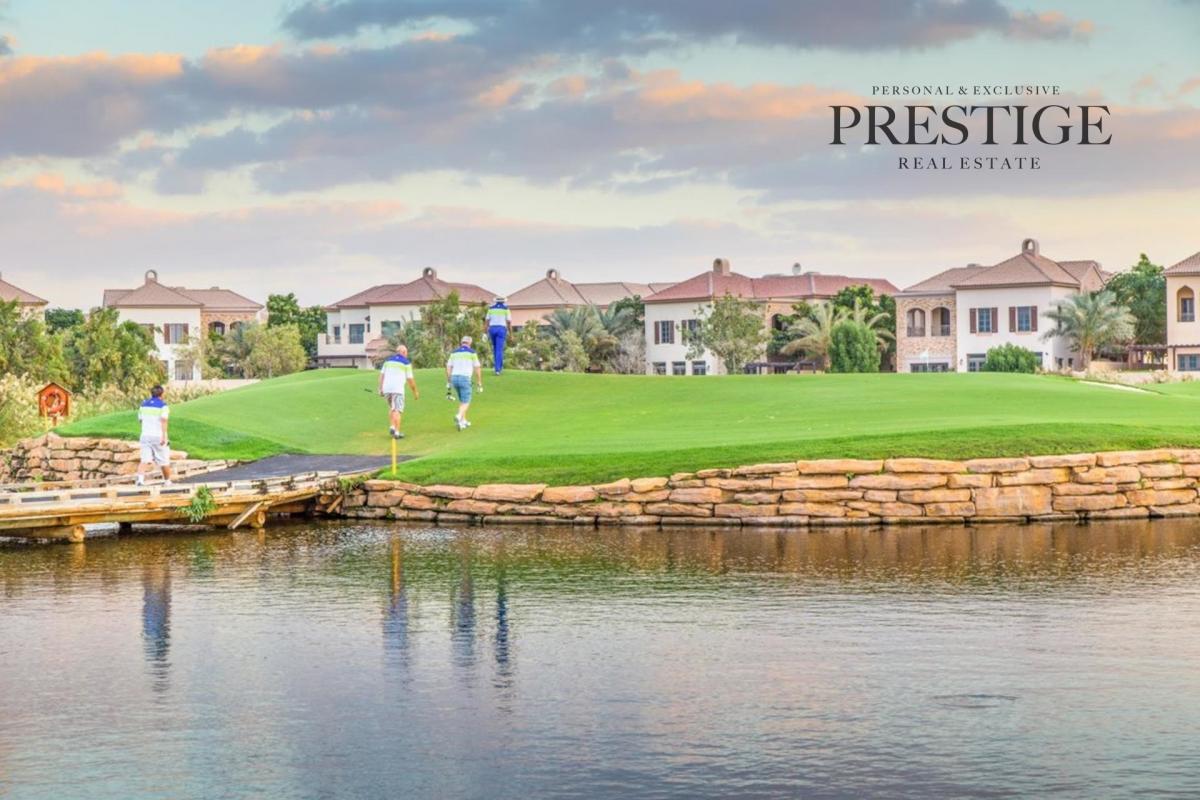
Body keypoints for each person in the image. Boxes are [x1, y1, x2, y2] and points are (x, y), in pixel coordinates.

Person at [379, 343, 419, 439]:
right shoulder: (406, 363)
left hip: (387, 389)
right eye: (406, 352)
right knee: (397, 410)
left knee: (392, 408)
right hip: (397, 390)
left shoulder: (387, 361)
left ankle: (392, 426)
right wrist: (415, 392)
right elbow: (410, 380)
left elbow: (382, 375)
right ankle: (397, 432)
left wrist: (380, 388)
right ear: (404, 352)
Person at [135, 385, 172, 486]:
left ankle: (140, 480)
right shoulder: (163, 406)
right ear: (162, 394)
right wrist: (164, 437)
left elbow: (140, 420)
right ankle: (167, 481)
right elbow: (164, 421)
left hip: (145, 435)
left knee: (144, 460)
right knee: (164, 461)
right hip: (157, 436)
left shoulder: (143, 405)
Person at [445, 336, 483, 430]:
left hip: (454, 378)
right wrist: (479, 382)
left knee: (462, 400)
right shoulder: (472, 352)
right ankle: (459, 416)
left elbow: (448, 367)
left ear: (462, 342)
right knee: (466, 401)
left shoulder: (454, 353)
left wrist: (449, 381)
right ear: (469, 343)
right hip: (465, 378)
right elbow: (477, 368)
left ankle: (463, 421)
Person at [485, 296, 512, 375]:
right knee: (499, 349)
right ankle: (498, 369)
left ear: (496, 301)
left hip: (492, 328)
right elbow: (509, 322)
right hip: (501, 329)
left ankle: (498, 367)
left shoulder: (491, 308)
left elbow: (487, 321)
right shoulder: (506, 309)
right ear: (504, 301)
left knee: (495, 348)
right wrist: (511, 333)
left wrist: (485, 332)